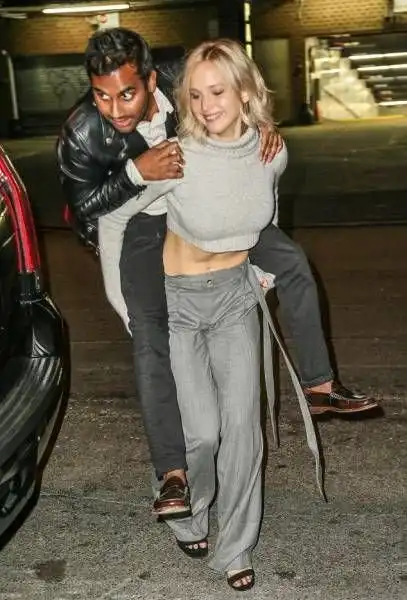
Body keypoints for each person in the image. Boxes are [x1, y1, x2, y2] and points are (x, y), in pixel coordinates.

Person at [56, 27, 378, 520]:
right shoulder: (81, 134)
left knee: (293, 262)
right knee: (150, 340)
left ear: (151, 79)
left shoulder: (184, 76)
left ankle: (320, 386)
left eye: (127, 94)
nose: (115, 110)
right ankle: (173, 473)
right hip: (142, 219)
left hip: (211, 203)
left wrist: (261, 127)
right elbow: (89, 213)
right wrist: (136, 173)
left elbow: (233, 88)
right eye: (102, 96)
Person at [96, 37, 325, 591]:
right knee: (201, 433)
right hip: (179, 303)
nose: (205, 106)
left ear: (245, 92)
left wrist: (263, 270)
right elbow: (113, 219)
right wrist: (122, 302)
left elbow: (261, 212)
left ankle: (236, 548)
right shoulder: (178, 158)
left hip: (234, 300)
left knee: (244, 430)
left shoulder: (270, 151)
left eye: (217, 92)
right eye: (195, 96)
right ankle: (189, 512)